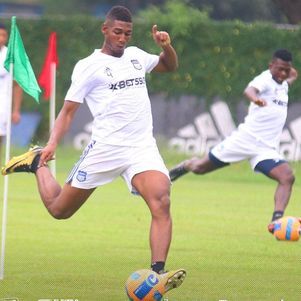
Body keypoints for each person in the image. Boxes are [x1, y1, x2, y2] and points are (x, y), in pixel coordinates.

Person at [1, 6, 186, 295]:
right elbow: (68, 112)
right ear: (104, 29)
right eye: (117, 32)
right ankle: (37, 164)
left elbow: (169, 65)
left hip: (141, 148)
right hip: (105, 150)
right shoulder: (88, 66)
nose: (123, 38)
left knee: (161, 200)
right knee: (60, 210)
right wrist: (51, 145)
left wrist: (167, 46)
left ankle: (157, 275)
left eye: (127, 33)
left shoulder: (138, 56)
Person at [169, 49, 298, 233]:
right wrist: (256, 99)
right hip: (244, 140)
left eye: (286, 70)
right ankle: (186, 165)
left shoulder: (283, 82)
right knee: (199, 169)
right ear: (271, 66)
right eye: (279, 69)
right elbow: (249, 90)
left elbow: (292, 74)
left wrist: (288, 72)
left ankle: (276, 221)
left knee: (287, 177)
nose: (283, 73)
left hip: (265, 149)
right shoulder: (265, 79)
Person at [0, 23, 23, 162]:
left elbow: (17, 85)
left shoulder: (10, 58)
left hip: (3, 103)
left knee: (1, 135)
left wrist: (16, 110)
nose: (0, 38)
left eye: (3, 35)